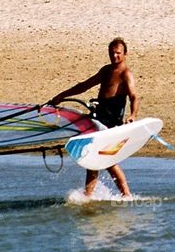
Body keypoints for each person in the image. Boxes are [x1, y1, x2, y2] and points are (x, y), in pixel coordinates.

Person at [49, 38, 139, 198]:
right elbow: (84, 85)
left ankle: (126, 194)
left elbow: (134, 97)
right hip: (99, 118)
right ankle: (88, 195)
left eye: (118, 53)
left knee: (106, 159)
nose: (114, 56)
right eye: (112, 53)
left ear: (125, 54)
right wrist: (62, 95)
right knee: (93, 158)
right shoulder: (106, 71)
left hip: (112, 123)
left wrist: (133, 115)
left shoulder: (126, 74)